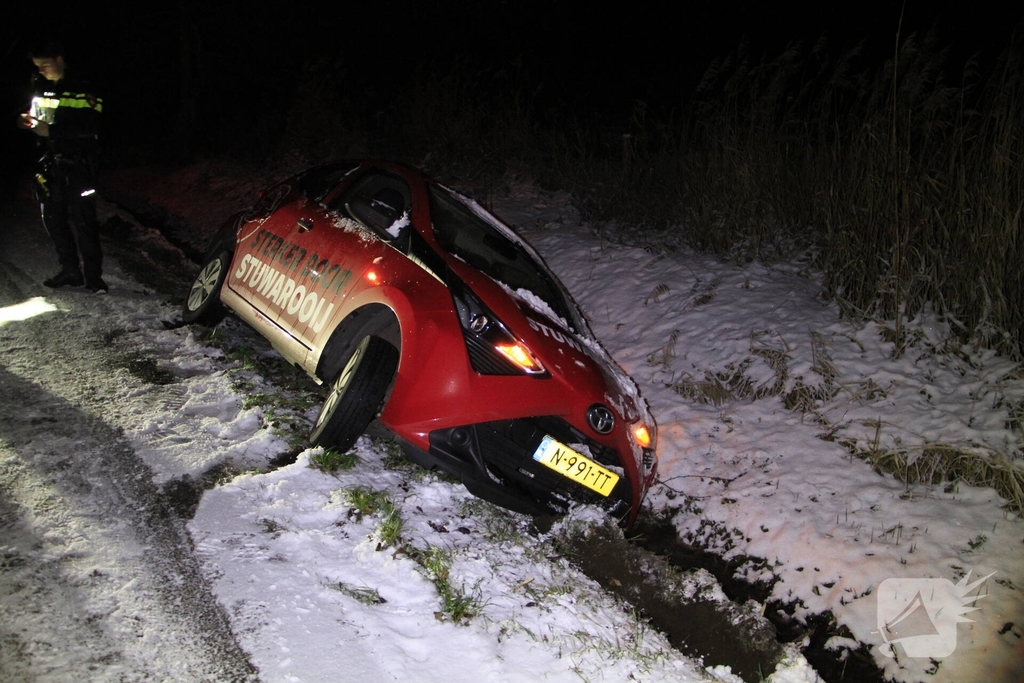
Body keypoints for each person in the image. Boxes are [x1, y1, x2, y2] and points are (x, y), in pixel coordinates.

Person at [17, 41, 107, 293]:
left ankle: (93, 277)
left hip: (79, 166)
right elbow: (36, 115)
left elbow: (91, 127)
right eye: (37, 66)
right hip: (49, 165)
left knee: (84, 222)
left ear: (59, 59)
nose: (41, 70)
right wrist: (24, 121)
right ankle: (70, 271)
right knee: (53, 220)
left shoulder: (83, 85)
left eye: (44, 64)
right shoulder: (40, 84)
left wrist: (52, 132)